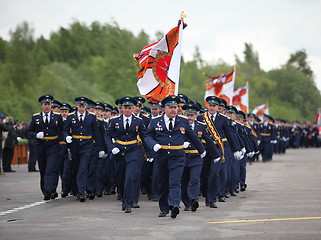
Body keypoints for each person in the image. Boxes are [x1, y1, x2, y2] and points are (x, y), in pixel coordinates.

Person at [145, 95, 206, 218]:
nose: (173, 109)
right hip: (162, 156)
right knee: (163, 183)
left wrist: (201, 150)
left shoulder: (182, 121)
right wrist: (154, 145)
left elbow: (192, 136)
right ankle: (164, 208)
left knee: (175, 182)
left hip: (177, 156)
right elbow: (147, 136)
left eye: (175, 107)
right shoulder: (155, 121)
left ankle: (174, 205)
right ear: (164, 108)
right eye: (170, 107)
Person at [105, 96, 147, 213]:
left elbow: (144, 137)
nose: (127, 110)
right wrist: (112, 147)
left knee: (130, 177)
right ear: (122, 109)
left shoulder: (138, 121)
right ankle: (124, 197)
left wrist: (150, 153)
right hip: (119, 151)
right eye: (125, 108)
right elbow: (107, 135)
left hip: (134, 151)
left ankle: (127, 203)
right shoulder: (114, 121)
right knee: (120, 177)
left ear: (133, 108)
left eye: (130, 108)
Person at [63, 97, 105, 202]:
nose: (81, 107)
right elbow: (65, 130)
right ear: (77, 106)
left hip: (87, 146)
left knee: (83, 168)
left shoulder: (91, 117)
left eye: (83, 106)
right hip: (75, 145)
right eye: (79, 106)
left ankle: (81, 192)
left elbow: (96, 134)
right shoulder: (70, 117)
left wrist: (100, 148)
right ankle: (79, 190)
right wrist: (66, 136)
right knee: (76, 168)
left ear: (86, 106)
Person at [181, 103, 220, 212]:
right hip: (183, 156)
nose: (189, 117)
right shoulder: (180, 125)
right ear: (184, 114)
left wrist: (216, 155)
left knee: (195, 179)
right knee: (184, 181)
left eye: (192, 115)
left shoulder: (201, 126)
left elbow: (209, 141)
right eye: (187, 115)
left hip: (196, 157)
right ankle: (186, 202)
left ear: (196, 115)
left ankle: (194, 200)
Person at [28, 95, 64, 200]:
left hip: (53, 145)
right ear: (41, 106)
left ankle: (49, 189)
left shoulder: (57, 116)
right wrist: (35, 135)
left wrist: (64, 140)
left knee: (50, 169)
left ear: (51, 105)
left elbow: (62, 130)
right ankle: (45, 191)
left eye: (49, 104)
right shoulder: (36, 117)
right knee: (43, 169)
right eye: (45, 104)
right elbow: (29, 132)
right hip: (41, 146)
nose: (47, 106)